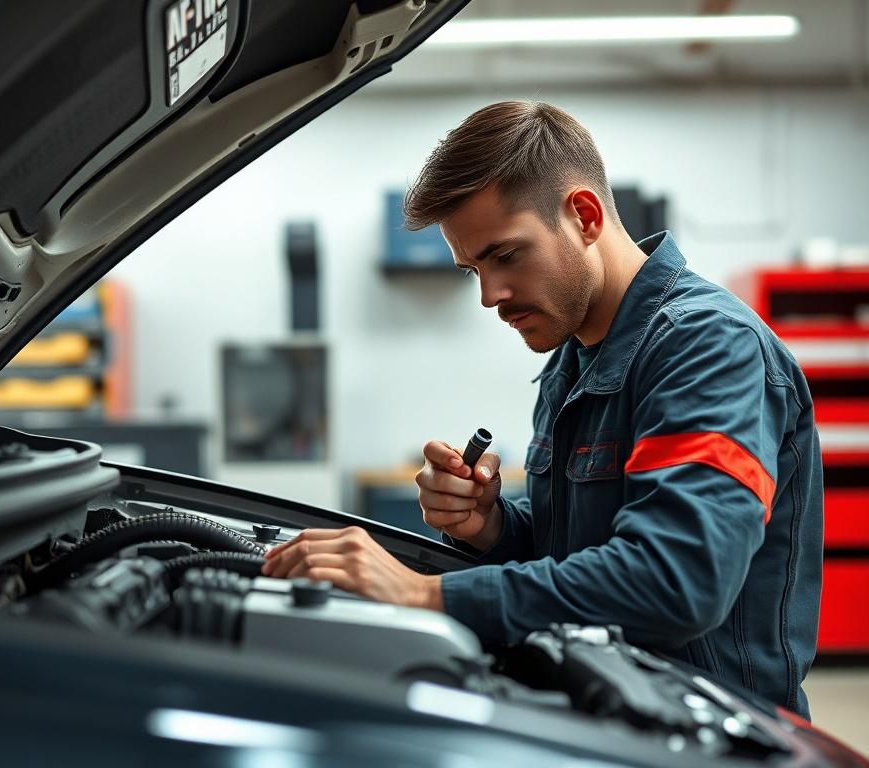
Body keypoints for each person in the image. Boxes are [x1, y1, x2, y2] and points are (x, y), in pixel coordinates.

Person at [261, 100, 823, 717]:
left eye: (504, 256)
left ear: (582, 215)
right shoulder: (574, 357)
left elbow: (677, 581)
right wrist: (492, 525)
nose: (488, 295)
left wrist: (427, 595)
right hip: (607, 709)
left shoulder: (708, 347)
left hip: (710, 735)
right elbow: (580, 552)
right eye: (473, 267)